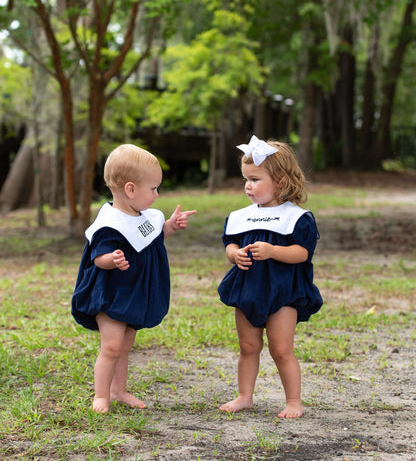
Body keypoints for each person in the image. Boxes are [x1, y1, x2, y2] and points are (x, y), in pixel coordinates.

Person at [72, 143, 196, 414]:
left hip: (132, 293)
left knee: (126, 344)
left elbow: (150, 239)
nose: (157, 194)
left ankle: (119, 390)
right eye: (153, 188)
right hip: (111, 293)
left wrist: (170, 226)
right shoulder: (110, 224)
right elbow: (97, 258)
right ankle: (101, 395)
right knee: (112, 346)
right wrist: (112, 260)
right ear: (130, 189)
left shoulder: (142, 216)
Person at [217, 135, 322, 418]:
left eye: (255, 179)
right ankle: (244, 396)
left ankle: (293, 401)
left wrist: (274, 250)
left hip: (282, 292)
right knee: (248, 345)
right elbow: (230, 242)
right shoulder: (241, 216)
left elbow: (302, 253)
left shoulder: (297, 217)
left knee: (281, 348)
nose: (247, 186)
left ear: (281, 181)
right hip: (248, 287)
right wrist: (233, 254)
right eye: (245, 180)